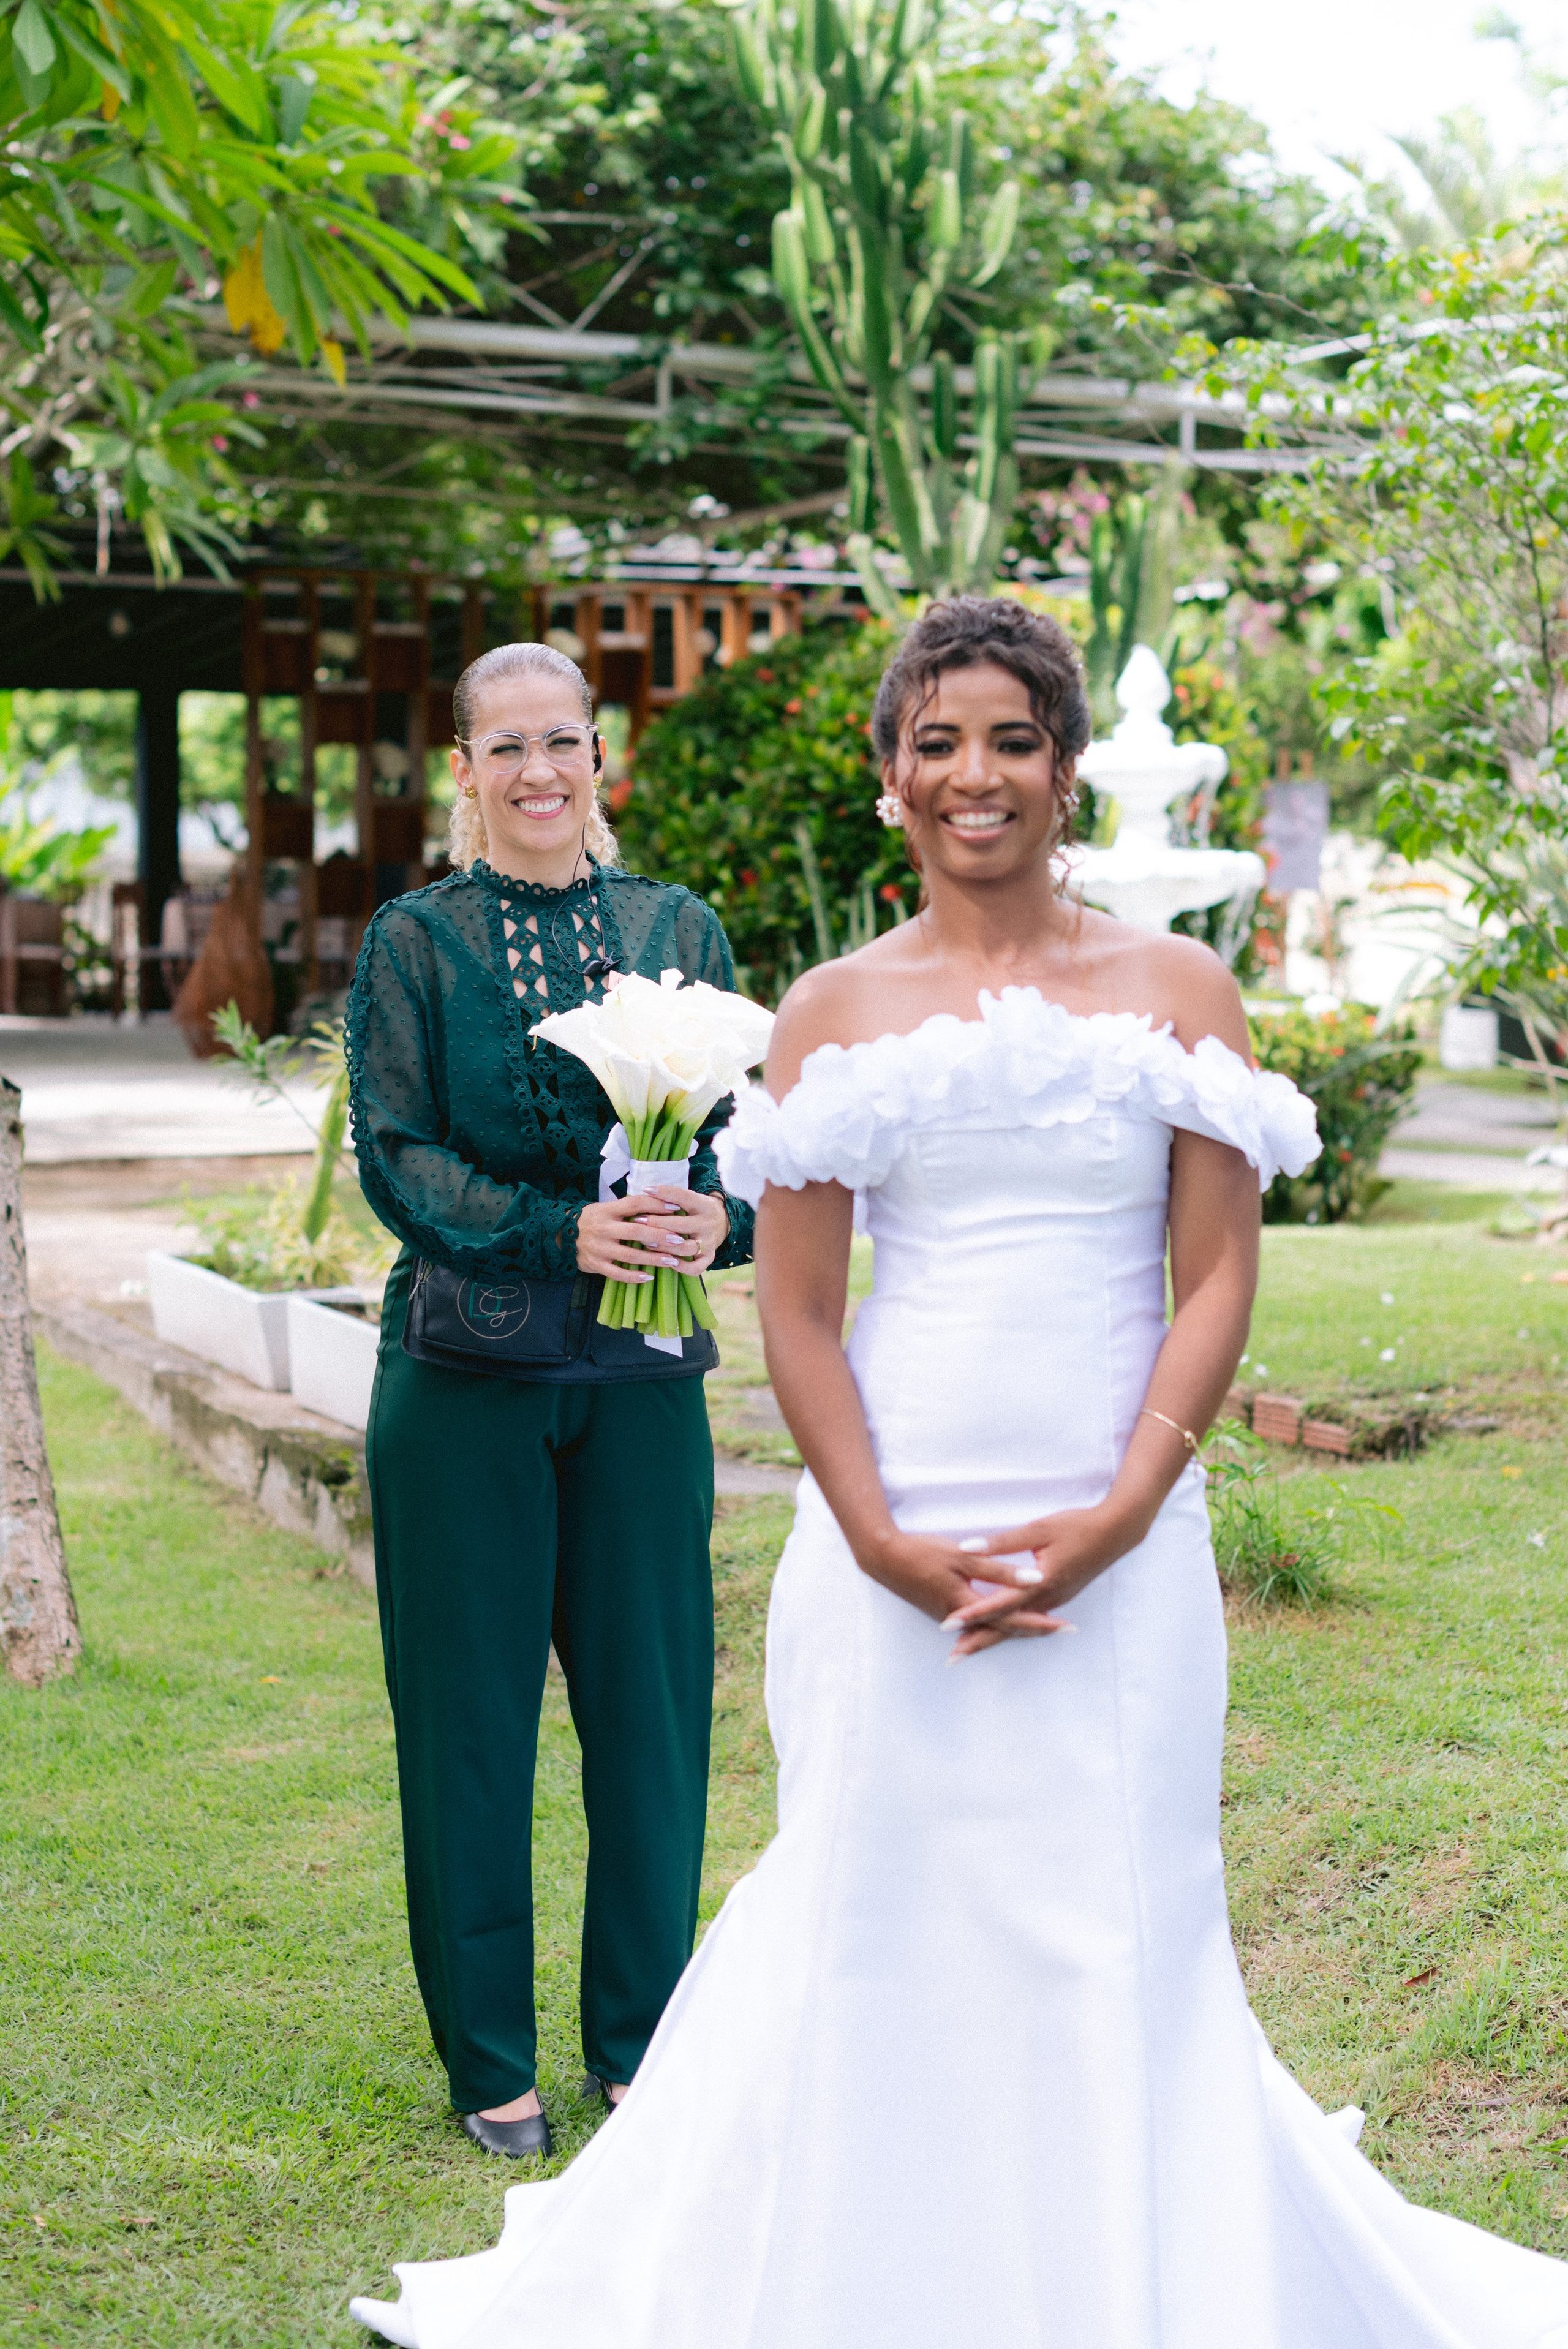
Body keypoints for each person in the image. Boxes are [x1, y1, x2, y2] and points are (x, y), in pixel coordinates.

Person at [350, 600, 1568, 2348]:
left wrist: (1129, 1509)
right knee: (882, 1898)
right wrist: (876, 1538)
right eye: (937, 743)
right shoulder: (837, 1009)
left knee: (1118, 1907)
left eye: (1010, 739)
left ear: (1065, 769)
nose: (974, 776)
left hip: (1120, 1525)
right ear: (889, 781)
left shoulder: (1179, 988)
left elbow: (1216, 1270)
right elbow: (801, 1310)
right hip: (889, 1531)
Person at [347, 639, 753, 2162]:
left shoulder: (675, 924)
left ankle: (641, 2041)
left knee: (650, 1715)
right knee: (470, 1723)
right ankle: (490, 2057)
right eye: (502, 746)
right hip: (463, 1382)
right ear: (462, 769)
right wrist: (550, 1232)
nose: (536, 772)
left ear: (601, 756)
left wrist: (725, 1219)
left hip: (643, 1382)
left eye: (561, 742)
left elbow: (736, 1146)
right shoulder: (416, 940)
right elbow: (396, 1150)